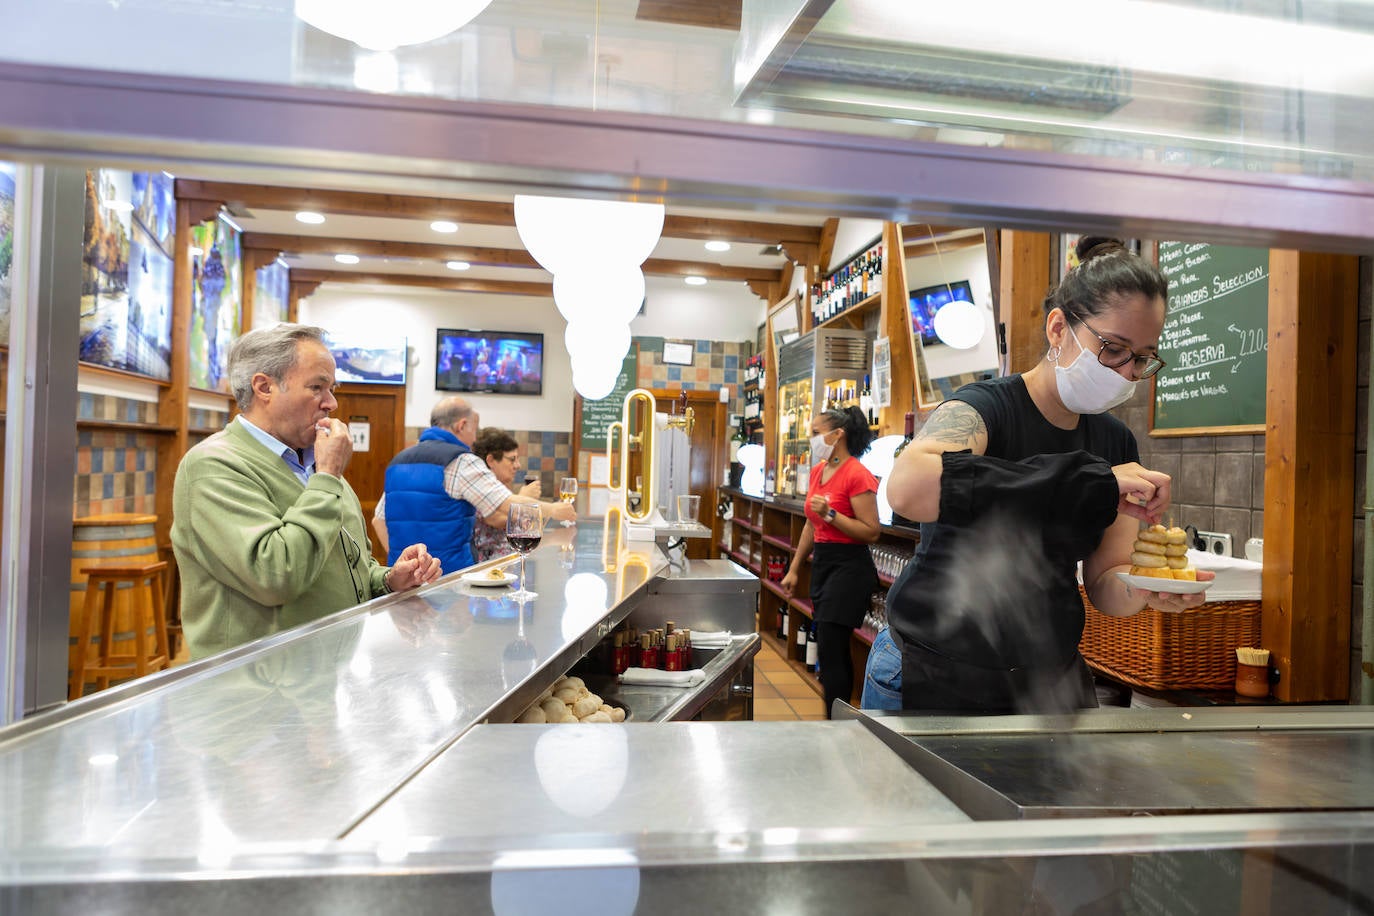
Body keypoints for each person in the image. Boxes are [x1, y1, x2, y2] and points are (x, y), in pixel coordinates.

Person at [881, 236, 1212, 715]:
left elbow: (1104, 581)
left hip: (1047, 680)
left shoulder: (1116, 443)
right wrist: (1088, 484)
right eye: (1114, 348)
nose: (1127, 372)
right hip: (935, 666)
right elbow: (907, 489)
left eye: (1142, 358)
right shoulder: (985, 409)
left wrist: (1144, 586)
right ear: (1059, 328)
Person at [171, 323, 441, 660]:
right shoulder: (213, 466)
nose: (331, 403)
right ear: (264, 387)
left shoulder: (313, 462)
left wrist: (388, 580)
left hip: (324, 681)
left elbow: (347, 565)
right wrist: (327, 475)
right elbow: (275, 576)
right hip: (254, 694)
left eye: (332, 389)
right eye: (317, 387)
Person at [780, 406, 881, 717]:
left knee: (832, 648)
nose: (812, 439)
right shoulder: (817, 472)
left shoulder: (856, 474)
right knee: (829, 647)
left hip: (850, 568)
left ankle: (837, 722)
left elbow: (871, 531)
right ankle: (836, 718)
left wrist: (831, 514)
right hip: (823, 564)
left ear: (838, 435)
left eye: (815, 433)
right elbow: (812, 525)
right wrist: (795, 568)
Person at [380, 396, 482, 575]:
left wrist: (404, 562)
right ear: (462, 425)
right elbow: (501, 508)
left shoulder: (398, 461)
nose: (475, 439)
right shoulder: (462, 461)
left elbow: (377, 519)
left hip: (404, 580)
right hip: (450, 580)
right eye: (475, 429)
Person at [468, 427, 577, 562]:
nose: (518, 465)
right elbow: (496, 519)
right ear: (490, 460)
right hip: (490, 568)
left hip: (510, 559)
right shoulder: (478, 486)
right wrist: (525, 502)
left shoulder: (498, 485)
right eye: (512, 459)